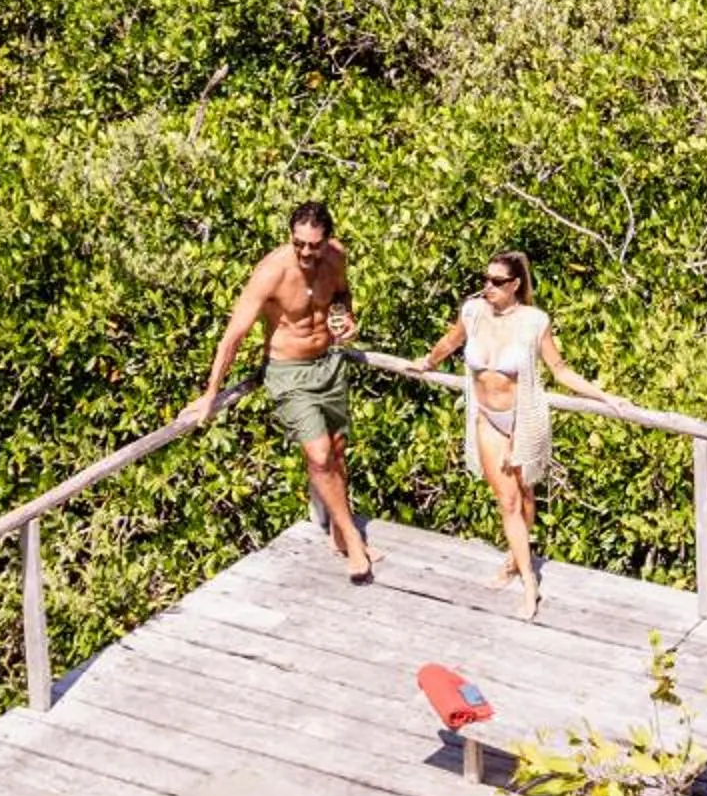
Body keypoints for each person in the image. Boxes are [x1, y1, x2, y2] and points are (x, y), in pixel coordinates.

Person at [407, 250, 611, 621]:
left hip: (522, 420)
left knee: (526, 495)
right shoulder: (473, 312)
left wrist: (605, 396)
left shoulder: (534, 321)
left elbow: (560, 370)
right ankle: (528, 578)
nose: (489, 288)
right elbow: (451, 341)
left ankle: (514, 560)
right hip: (487, 419)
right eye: (486, 280)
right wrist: (427, 362)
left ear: (516, 285)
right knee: (509, 501)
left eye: (498, 282)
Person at [182, 200, 374, 583]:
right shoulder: (271, 272)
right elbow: (233, 335)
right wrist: (211, 392)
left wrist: (345, 316)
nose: (305, 251)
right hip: (288, 372)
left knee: (336, 451)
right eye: (298, 242)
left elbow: (341, 295)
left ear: (327, 240)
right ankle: (352, 535)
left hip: (329, 363)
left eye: (313, 245)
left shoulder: (336, 258)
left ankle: (337, 530)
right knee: (318, 457)